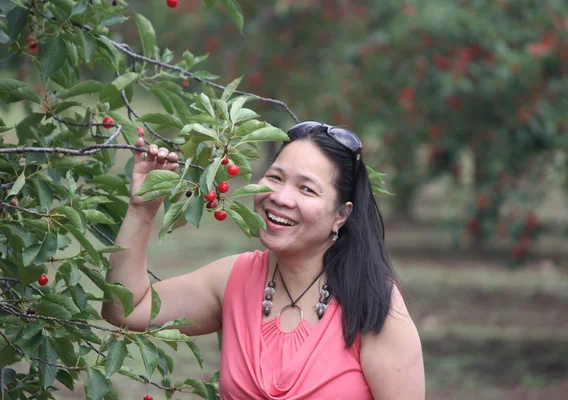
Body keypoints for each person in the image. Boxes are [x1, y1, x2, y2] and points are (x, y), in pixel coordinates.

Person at [102, 121, 425, 399]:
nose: (281, 198)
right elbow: (126, 310)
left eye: (307, 189)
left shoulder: (373, 304)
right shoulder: (234, 280)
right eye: (275, 177)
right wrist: (142, 211)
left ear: (341, 215)